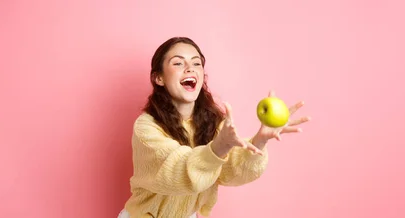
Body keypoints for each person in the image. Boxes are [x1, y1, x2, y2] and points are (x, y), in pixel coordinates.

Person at [118, 37, 310, 218]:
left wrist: (260, 140)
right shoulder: (146, 127)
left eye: (196, 63)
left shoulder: (211, 122)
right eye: (178, 63)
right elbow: (176, 170)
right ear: (158, 78)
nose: (190, 69)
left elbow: (230, 172)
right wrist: (218, 147)